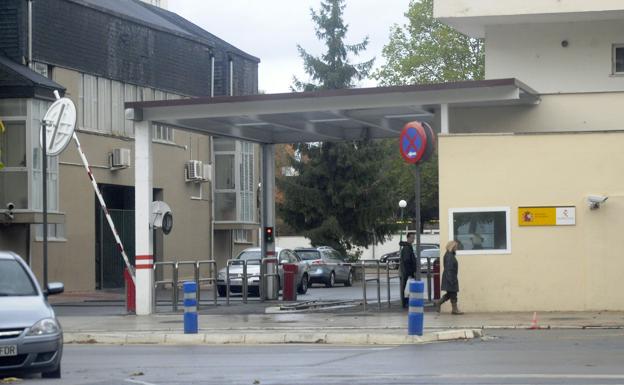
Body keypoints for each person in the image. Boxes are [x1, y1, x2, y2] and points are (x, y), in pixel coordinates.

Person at [436, 240, 464, 315]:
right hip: (450, 277)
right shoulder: (449, 256)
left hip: (450, 277)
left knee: (450, 294)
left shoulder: (450, 255)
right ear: (452, 247)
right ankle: (454, 309)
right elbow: (449, 268)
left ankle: (440, 303)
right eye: (456, 247)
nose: (457, 248)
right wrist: (451, 280)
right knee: (453, 293)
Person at [399, 232, 420, 309]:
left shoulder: (408, 247)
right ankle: (404, 303)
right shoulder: (407, 248)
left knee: (405, 288)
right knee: (405, 288)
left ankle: (405, 302)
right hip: (406, 272)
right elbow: (407, 261)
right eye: (412, 238)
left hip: (406, 271)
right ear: (408, 238)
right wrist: (410, 273)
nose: (413, 239)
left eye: (414, 238)